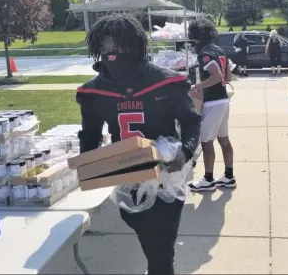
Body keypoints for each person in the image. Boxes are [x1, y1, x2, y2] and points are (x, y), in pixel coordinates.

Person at [76, 15, 201, 275]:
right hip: (127, 179)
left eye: (118, 48)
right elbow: (89, 136)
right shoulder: (93, 91)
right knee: (148, 239)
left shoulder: (167, 81)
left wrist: (185, 151)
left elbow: (191, 121)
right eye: (105, 48)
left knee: (160, 255)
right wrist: (87, 165)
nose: (112, 54)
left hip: (165, 178)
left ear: (135, 47)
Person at [187, 18, 235, 192]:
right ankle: (228, 176)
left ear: (197, 38)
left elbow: (216, 76)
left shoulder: (205, 53)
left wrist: (197, 87)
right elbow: (228, 78)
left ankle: (208, 179)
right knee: (224, 139)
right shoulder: (220, 50)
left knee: (206, 141)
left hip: (213, 103)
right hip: (224, 100)